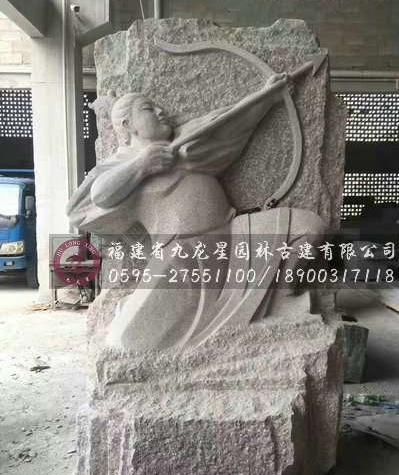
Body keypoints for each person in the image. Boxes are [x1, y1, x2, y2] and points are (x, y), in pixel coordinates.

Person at [68, 75, 326, 351]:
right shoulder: (121, 166)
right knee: (131, 339)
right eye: (148, 108)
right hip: (181, 255)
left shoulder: (186, 142)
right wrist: (142, 165)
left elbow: (229, 123)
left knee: (308, 227)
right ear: (127, 125)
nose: (160, 111)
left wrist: (268, 96)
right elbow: (90, 202)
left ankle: (281, 298)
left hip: (233, 239)